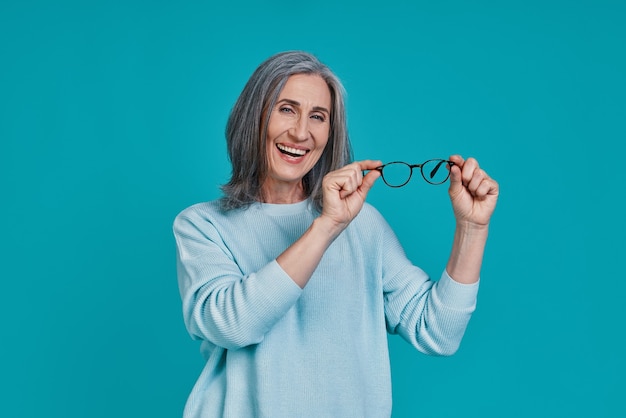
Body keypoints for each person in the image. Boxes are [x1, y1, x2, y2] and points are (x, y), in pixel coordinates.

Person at [173, 50, 499, 418]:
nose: (300, 132)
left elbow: (439, 331)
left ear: (331, 132)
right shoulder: (202, 225)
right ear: (254, 116)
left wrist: (473, 228)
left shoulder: (365, 226)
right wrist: (326, 227)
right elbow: (233, 324)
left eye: (318, 116)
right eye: (286, 109)